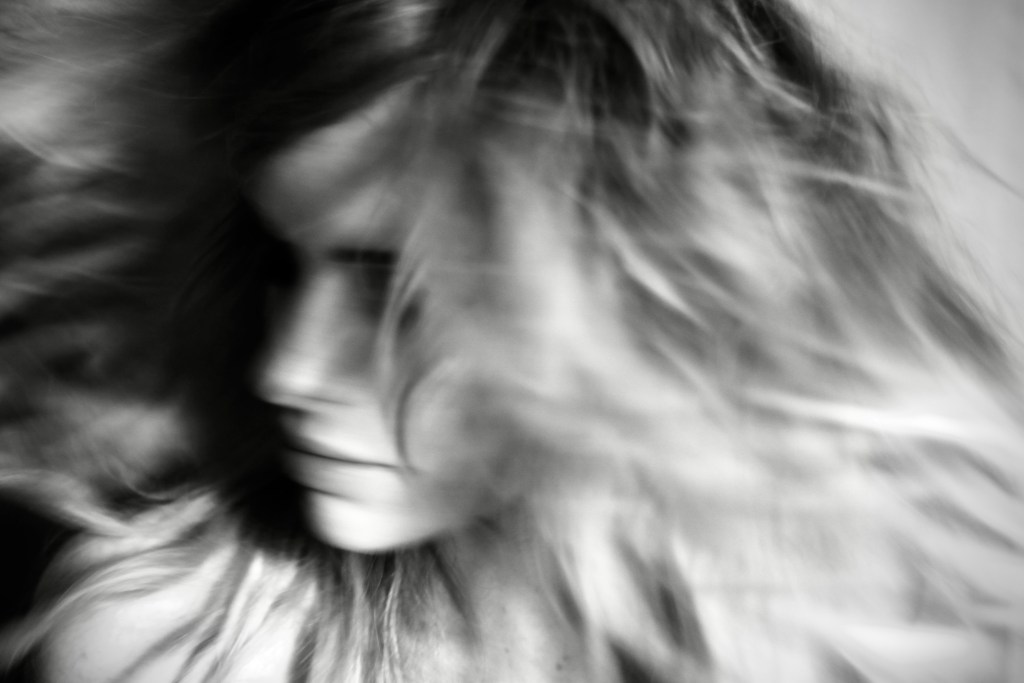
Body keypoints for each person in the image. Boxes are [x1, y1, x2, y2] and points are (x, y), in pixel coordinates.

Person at [2, 0, 1022, 681]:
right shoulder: (174, 647)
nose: (289, 366)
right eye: (283, 261)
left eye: (388, 288)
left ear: (630, 302)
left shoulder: (862, 643)